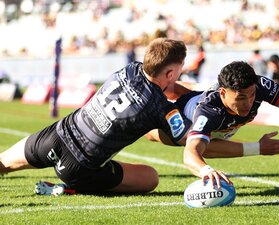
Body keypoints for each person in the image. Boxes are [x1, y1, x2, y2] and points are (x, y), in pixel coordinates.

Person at [0, 38, 192, 195]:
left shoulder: (131, 69)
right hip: (81, 167)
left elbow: (165, 87)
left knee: (3, 162)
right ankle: (70, 188)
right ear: (170, 73)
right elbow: (188, 136)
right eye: (179, 70)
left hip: (56, 136)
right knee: (150, 177)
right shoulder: (160, 107)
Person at [149, 61, 279, 187]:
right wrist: (207, 171)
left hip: (200, 97)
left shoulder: (259, 85)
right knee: (154, 131)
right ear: (223, 93)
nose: (248, 103)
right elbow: (191, 153)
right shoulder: (208, 112)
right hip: (181, 117)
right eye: (241, 98)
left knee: (185, 92)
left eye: (252, 95)